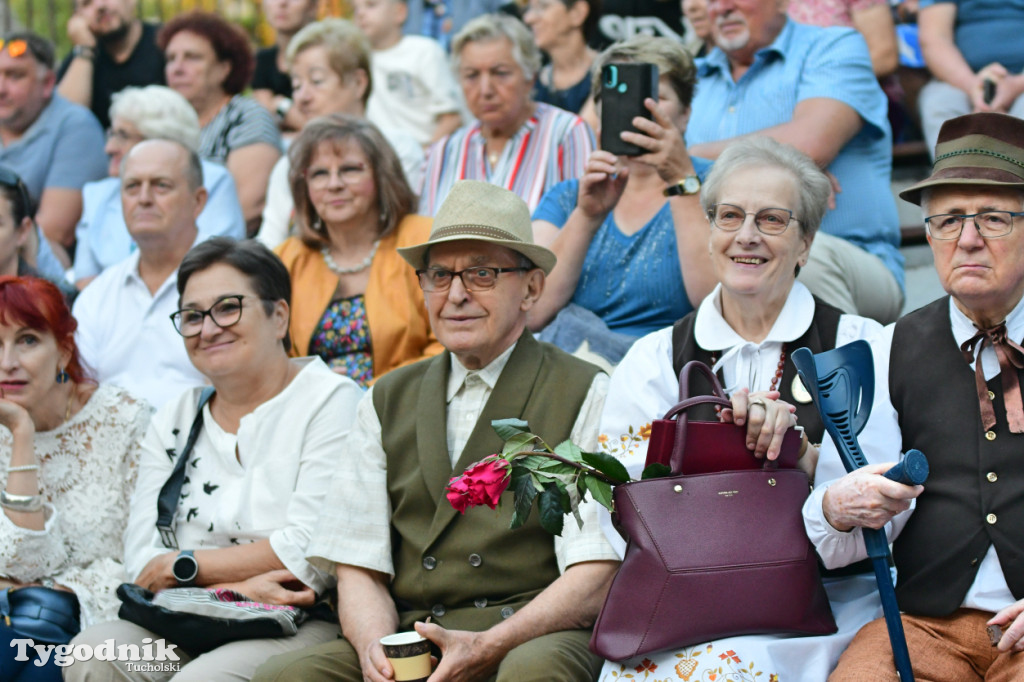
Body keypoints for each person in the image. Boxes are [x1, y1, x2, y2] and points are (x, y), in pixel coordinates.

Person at [251, 180, 619, 682]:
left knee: (535, 673)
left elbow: (595, 572)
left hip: (529, 635)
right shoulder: (386, 396)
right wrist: (380, 656)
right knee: (284, 677)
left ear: (532, 288)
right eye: (439, 275)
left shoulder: (585, 387)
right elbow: (357, 561)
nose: (457, 295)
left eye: (483, 274)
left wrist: (490, 644)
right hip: (414, 636)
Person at [594, 136, 883, 681]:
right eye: (730, 216)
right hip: (684, 604)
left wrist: (804, 456)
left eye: (772, 220)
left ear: (806, 242)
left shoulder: (858, 346)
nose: (746, 236)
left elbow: (884, 497)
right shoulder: (655, 358)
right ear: (709, 231)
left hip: (829, 603)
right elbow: (620, 502)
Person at [65, 238, 364, 681]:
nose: (208, 328)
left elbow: (309, 552)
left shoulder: (330, 401)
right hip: (185, 619)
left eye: (228, 308)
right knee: (91, 654)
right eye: (192, 316)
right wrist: (234, 588)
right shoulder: (175, 417)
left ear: (278, 315)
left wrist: (183, 566)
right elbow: (142, 561)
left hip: (291, 623)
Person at [806, 113, 1024, 680]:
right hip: (925, 624)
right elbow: (835, 525)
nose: (967, 238)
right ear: (928, 234)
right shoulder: (887, 348)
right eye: (948, 220)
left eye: (994, 218)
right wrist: (838, 506)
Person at [686, 0, 905, 325]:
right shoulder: (693, 77)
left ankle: (834, 376)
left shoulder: (834, 46)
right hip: (732, 256)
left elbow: (811, 142)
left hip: (847, 256)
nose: (722, 7)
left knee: (796, 260)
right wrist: (783, 166)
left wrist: (689, 161)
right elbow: (655, 167)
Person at [0, 275, 150, 681]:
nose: (7, 362)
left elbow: (149, 556)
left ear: (64, 350)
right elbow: (23, 559)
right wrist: (21, 434)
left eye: (27, 340)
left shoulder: (124, 420)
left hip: (109, 623)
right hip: (20, 627)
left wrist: (65, 589)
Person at [530, 37, 714, 364]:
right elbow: (531, 311)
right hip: (575, 372)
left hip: (670, 372)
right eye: (621, 97)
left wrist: (681, 182)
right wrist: (586, 217)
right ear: (598, 112)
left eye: (655, 98)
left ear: (685, 115)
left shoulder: (720, 185)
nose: (637, 111)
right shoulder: (569, 196)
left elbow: (716, 301)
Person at [275, 114, 441, 387]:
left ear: (381, 176)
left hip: (408, 404)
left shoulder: (424, 239)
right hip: (316, 414)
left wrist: (369, 393)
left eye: (350, 169)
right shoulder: (285, 260)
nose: (334, 184)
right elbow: (267, 356)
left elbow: (451, 342)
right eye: (319, 173)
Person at [256, 19, 424, 250]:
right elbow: (270, 245)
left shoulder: (399, 148)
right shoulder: (288, 164)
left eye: (317, 81)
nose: (302, 98)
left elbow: (408, 234)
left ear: (358, 82)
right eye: (296, 85)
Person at [72, 140, 209, 409]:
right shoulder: (98, 295)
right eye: (132, 187)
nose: (144, 198)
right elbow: (78, 393)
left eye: (161, 185)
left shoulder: (235, 284)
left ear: (198, 200)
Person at [419, 14, 594, 215]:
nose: (485, 90)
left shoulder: (567, 135)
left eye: (500, 73)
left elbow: (585, 223)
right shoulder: (443, 153)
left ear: (530, 77)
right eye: (471, 76)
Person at [74, 85, 245, 288]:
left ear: (158, 140)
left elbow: (216, 262)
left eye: (122, 136)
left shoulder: (212, 181)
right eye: (111, 134)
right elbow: (84, 280)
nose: (109, 147)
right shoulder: (97, 194)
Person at [158, 11, 282, 233]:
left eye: (192, 57)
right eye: (170, 59)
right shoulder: (163, 124)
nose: (177, 68)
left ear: (224, 69)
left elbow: (247, 207)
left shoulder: (245, 116)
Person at [0, 32, 107, 267]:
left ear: (48, 83)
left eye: (14, 76)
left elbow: (54, 232)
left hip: (40, 269)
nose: (1, 88)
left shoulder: (76, 126)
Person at [917, 0, 1024, 159]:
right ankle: (956, 180)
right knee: (939, 103)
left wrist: (1016, 85)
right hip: (959, 76)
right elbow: (934, 39)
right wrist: (973, 86)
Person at [354, 0, 464, 148]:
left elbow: (452, 118)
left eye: (371, 5)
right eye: (355, 9)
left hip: (425, 154)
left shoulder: (424, 51)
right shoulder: (357, 61)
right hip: (379, 158)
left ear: (400, 12)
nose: (360, 14)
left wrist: (427, 157)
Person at [57, 0, 165, 129]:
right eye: (87, 3)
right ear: (78, 18)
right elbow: (66, 124)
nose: (100, 6)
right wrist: (84, 50)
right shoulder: (79, 61)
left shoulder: (166, 43)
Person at [251, 0, 319, 134]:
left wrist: (282, 106)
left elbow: (323, 128)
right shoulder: (262, 61)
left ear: (313, 5)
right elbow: (263, 122)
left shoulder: (330, 55)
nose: (282, 3)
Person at [524, 0, 600, 114]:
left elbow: (581, 131)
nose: (528, 18)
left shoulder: (609, 75)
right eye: (529, 8)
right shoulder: (531, 82)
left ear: (577, 12)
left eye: (543, 6)